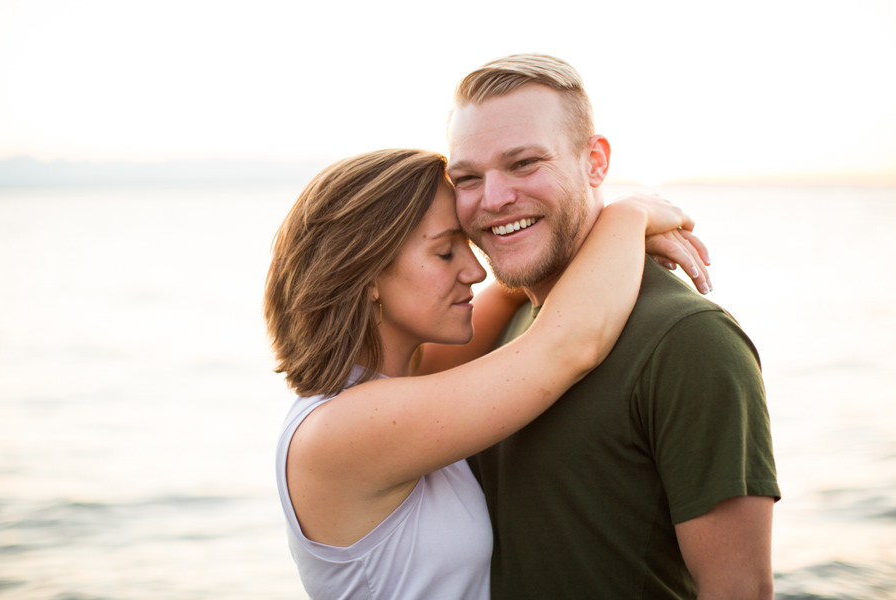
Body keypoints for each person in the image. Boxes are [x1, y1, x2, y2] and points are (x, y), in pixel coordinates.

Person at [265, 148, 710, 599]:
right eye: (444, 253)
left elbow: (518, 290)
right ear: (368, 277)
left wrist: (586, 244)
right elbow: (568, 345)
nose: (475, 270)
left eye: (467, 244)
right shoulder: (342, 431)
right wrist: (629, 217)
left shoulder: (402, 383)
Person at [444, 53, 781, 599]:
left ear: (595, 162)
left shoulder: (689, 340)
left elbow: (739, 590)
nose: (495, 198)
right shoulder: (503, 324)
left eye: (525, 163)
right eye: (467, 177)